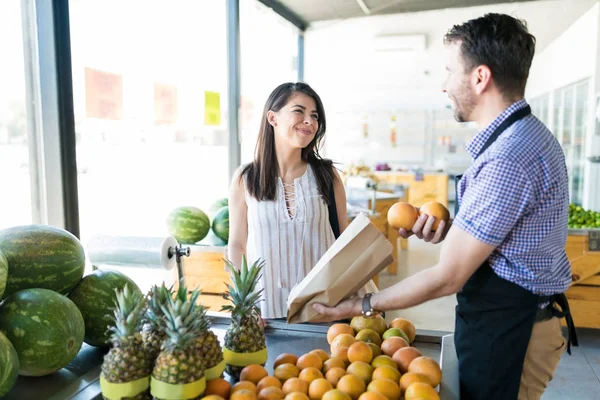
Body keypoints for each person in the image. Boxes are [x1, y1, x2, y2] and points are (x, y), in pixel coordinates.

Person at [313, 13, 578, 400]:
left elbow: (447, 277)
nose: (443, 85)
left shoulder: (507, 157)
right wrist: (452, 231)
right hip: (508, 319)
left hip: (512, 330)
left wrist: (363, 303)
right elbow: (507, 241)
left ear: (480, 77)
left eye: (450, 71)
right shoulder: (524, 136)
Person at [228, 82, 348, 319]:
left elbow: (345, 242)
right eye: (299, 111)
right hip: (265, 312)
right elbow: (237, 245)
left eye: (314, 116)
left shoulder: (327, 175)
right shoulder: (246, 179)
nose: (309, 121)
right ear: (272, 117)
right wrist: (244, 304)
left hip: (323, 312)